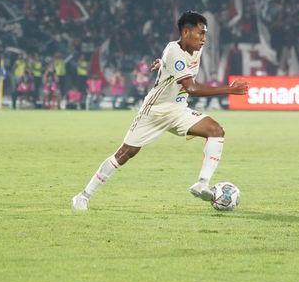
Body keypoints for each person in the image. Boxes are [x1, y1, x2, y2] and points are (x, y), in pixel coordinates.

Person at [71, 11, 250, 210]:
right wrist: (229, 90)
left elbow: (176, 68)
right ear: (186, 32)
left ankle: (202, 183)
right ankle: (83, 196)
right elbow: (192, 88)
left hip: (178, 110)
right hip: (155, 111)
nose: (204, 39)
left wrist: (163, 65)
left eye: (205, 34)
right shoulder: (174, 51)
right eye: (200, 33)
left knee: (216, 130)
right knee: (126, 153)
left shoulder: (194, 50)